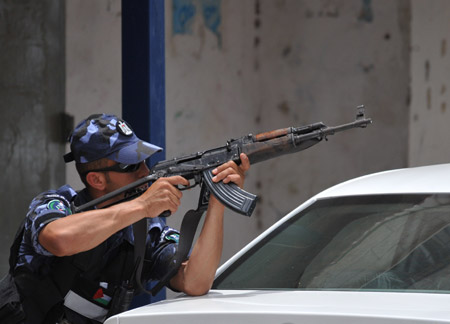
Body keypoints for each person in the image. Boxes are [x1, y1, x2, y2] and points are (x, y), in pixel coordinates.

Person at [9, 113, 250, 324]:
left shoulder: (146, 230)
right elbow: (59, 239)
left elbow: (195, 282)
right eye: (132, 166)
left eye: (144, 161)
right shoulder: (58, 204)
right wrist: (142, 205)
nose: (145, 172)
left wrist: (218, 201)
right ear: (96, 180)